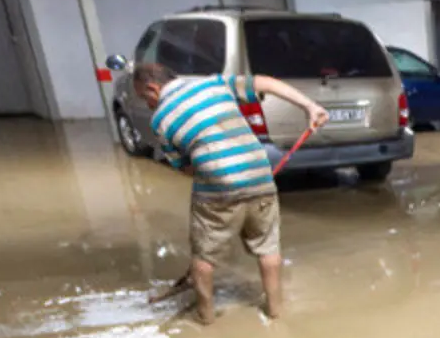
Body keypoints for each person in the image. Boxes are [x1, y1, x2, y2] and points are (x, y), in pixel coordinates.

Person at [132, 63, 329, 323]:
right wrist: (310, 107)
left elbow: (186, 168)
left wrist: (220, 175)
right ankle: (275, 310)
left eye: (145, 98)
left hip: (217, 187)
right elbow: (266, 82)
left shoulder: (160, 120)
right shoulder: (213, 84)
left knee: (204, 258)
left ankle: (206, 318)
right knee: (268, 247)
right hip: (260, 176)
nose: (148, 105)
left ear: (152, 88)